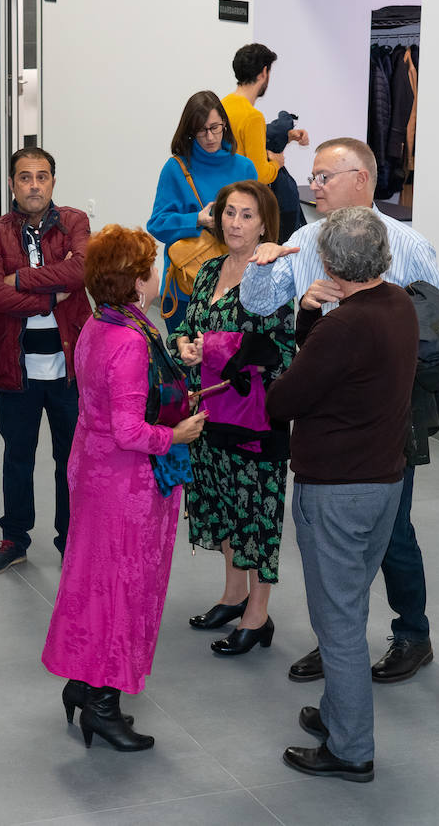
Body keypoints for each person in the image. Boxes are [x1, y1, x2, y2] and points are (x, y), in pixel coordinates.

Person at [241, 136, 439, 687]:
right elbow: (259, 304)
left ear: (361, 178)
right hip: (324, 407)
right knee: (335, 547)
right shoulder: (304, 238)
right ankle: (339, 642)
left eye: (324, 176)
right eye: (312, 176)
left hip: (387, 409)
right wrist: (263, 266)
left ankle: (413, 634)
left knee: (392, 532)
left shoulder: (408, 244)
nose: (313, 185)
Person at [266, 207, 418, 782]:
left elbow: (284, 400)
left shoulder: (344, 326)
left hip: (336, 490)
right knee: (349, 605)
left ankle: (351, 749)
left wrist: (308, 321)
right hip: (384, 481)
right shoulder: (399, 304)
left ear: (329, 262)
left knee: (339, 624)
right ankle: (336, 712)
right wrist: (314, 319)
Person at [41, 225, 207, 752]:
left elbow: (112, 402)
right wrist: (176, 434)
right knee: (122, 592)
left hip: (92, 470)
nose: (156, 274)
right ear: (136, 280)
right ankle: (103, 706)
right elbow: (132, 430)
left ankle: (82, 682)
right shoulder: (132, 339)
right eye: (150, 267)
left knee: (93, 584)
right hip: (126, 485)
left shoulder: (100, 323)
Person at [169, 180, 294, 655]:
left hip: (255, 419)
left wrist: (215, 348)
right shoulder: (209, 269)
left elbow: (282, 351)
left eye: (246, 215)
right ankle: (234, 594)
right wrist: (184, 344)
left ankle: (258, 616)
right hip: (210, 411)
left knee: (257, 514)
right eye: (229, 213)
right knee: (223, 504)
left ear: (265, 224)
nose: (235, 223)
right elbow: (186, 323)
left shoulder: (275, 276)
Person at [0, 147, 91, 575]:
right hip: (15, 368)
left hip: (69, 369)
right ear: (12, 184)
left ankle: (71, 538)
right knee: (18, 456)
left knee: (70, 459)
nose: (35, 185)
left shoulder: (75, 221)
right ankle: (15, 539)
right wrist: (50, 294)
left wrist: (20, 279)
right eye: (25, 177)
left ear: (54, 182)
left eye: (43, 177)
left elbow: (80, 273)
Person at [148, 90, 257, 334]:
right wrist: (196, 219)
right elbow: (157, 224)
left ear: (225, 125)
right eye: (201, 130)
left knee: (227, 365)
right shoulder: (176, 168)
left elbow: (262, 221)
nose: (209, 136)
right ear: (190, 131)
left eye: (215, 127)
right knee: (188, 364)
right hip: (186, 288)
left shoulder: (244, 167)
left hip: (235, 285)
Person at [221, 43, 311, 239]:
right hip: (245, 202)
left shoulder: (222, 105)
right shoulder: (253, 117)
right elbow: (260, 175)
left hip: (224, 199)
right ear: (264, 72)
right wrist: (276, 163)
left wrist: (287, 137)